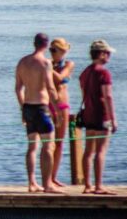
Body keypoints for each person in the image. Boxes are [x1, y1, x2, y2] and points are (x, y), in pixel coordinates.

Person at [15, 32, 61, 193]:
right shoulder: (45, 63)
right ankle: (47, 184)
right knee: (48, 146)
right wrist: (58, 109)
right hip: (41, 108)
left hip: (28, 107)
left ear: (34, 43)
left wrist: (22, 107)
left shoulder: (22, 62)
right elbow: (50, 87)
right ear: (46, 45)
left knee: (32, 146)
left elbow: (18, 88)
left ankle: (32, 183)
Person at [78, 39, 118, 195]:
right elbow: (108, 96)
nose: (109, 56)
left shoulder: (85, 72)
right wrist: (113, 120)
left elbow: (84, 94)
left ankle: (87, 185)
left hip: (88, 115)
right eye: (107, 53)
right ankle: (98, 185)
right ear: (101, 54)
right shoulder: (103, 73)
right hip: (102, 115)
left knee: (88, 151)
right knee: (101, 151)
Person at [48, 38, 75, 188]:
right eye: (50, 50)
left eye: (54, 50)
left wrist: (46, 67)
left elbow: (59, 79)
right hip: (48, 105)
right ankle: (47, 178)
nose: (51, 53)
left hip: (62, 104)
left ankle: (54, 176)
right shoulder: (47, 64)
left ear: (63, 51)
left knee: (59, 142)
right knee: (48, 143)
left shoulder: (69, 64)